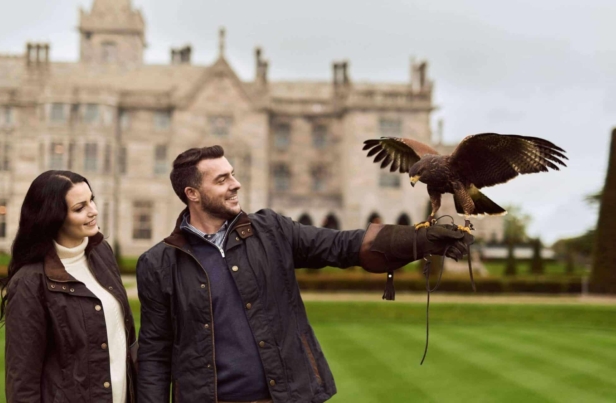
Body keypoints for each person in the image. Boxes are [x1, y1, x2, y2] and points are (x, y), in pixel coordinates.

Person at [136, 146, 472, 403]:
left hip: (287, 396)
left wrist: (419, 240)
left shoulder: (271, 230)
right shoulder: (159, 264)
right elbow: (154, 352)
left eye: (233, 174)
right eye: (221, 180)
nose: (235, 184)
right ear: (192, 194)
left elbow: (344, 245)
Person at [1, 171, 137, 403]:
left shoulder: (101, 253)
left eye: (91, 199)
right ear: (53, 217)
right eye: (79, 208)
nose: (93, 210)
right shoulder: (29, 283)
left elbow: (125, 341)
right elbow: (23, 380)